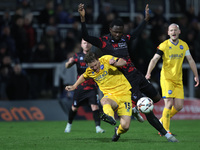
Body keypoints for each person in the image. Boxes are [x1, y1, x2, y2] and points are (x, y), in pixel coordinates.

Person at [78, 3, 178, 142]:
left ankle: (134, 108)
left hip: (136, 74)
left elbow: (136, 33)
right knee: (147, 107)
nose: (118, 34)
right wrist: (82, 19)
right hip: (126, 81)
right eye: (115, 32)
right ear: (110, 29)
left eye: (120, 32)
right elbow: (86, 36)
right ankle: (167, 135)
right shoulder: (103, 42)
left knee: (156, 99)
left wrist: (145, 20)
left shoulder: (125, 38)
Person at [65, 52, 132, 142]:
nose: (94, 68)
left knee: (125, 126)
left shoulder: (106, 59)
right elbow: (83, 76)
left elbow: (123, 62)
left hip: (124, 94)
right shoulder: (90, 70)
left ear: (98, 59)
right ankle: (110, 117)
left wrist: (115, 63)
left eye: (95, 65)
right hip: (110, 95)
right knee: (104, 101)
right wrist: (74, 86)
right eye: (91, 67)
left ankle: (118, 131)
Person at [145, 23, 199, 134]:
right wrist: (148, 73)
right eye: (171, 30)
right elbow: (154, 59)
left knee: (179, 106)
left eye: (175, 30)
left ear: (179, 32)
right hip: (167, 79)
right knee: (168, 104)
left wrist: (196, 75)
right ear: (168, 33)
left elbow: (191, 60)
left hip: (178, 79)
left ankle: (161, 121)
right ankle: (166, 131)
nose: (173, 32)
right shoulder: (164, 45)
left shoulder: (184, 45)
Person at [64, 39, 104, 134]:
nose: (86, 45)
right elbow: (67, 66)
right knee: (74, 107)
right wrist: (69, 63)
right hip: (80, 87)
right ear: (81, 45)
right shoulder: (77, 56)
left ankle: (98, 128)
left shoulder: (95, 56)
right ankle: (69, 125)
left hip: (92, 87)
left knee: (95, 106)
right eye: (84, 43)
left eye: (88, 43)